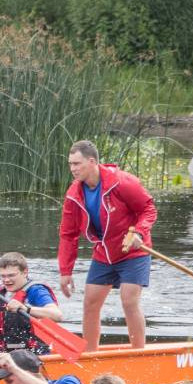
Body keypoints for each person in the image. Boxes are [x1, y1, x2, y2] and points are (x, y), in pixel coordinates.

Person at [57, 140, 157, 351]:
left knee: (129, 301)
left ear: (92, 161)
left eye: (77, 164)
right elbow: (68, 234)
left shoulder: (121, 182)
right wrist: (65, 271)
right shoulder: (73, 194)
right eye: (70, 164)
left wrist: (139, 232)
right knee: (90, 304)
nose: (73, 169)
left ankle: (139, 353)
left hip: (133, 250)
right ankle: (91, 356)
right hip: (104, 254)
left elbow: (148, 209)